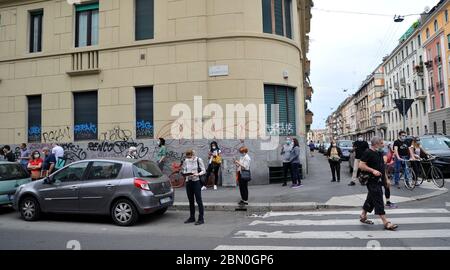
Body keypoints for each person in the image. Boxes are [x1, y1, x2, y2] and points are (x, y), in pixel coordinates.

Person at [359, 136, 398, 231]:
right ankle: (385, 222)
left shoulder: (379, 153)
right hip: (371, 180)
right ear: (376, 144)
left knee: (371, 198)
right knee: (378, 198)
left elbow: (382, 167)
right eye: (381, 143)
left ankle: (363, 215)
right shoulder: (368, 152)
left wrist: (386, 179)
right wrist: (372, 171)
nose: (383, 145)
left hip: (379, 180)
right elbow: (361, 165)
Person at [182, 149, 206, 225]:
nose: (188, 158)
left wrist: (197, 174)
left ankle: (201, 218)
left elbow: (204, 170)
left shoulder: (198, 160)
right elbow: (184, 169)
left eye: (190, 156)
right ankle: (192, 217)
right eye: (187, 157)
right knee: (190, 200)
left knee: (199, 200)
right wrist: (185, 173)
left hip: (196, 181)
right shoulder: (186, 160)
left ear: (193, 155)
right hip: (188, 182)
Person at [382, 144, 396, 208]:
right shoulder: (380, 153)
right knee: (377, 189)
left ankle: (387, 202)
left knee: (387, 186)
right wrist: (387, 178)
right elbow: (383, 167)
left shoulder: (385, 151)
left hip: (384, 171)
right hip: (379, 173)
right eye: (381, 143)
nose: (383, 145)